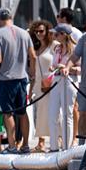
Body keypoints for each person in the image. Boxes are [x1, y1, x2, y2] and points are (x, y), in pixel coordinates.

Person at [0, 8, 35, 154]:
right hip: (22, 78)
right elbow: (33, 56)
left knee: (8, 113)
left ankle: (12, 146)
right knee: (22, 112)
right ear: (11, 17)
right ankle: (25, 145)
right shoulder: (24, 33)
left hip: (7, 79)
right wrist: (32, 74)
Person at [49, 26, 79, 151]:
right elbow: (54, 65)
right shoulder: (57, 49)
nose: (54, 37)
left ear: (63, 34)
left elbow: (81, 69)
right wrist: (54, 68)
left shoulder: (75, 50)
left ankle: (67, 147)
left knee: (68, 114)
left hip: (69, 81)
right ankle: (54, 147)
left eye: (56, 35)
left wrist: (67, 68)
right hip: (56, 80)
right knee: (53, 114)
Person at [29, 19, 56, 152]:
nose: (39, 33)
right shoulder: (36, 48)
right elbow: (33, 72)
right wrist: (30, 89)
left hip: (51, 83)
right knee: (39, 113)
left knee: (54, 112)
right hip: (39, 85)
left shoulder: (54, 46)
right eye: (36, 31)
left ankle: (58, 139)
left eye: (41, 31)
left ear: (47, 32)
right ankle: (41, 142)